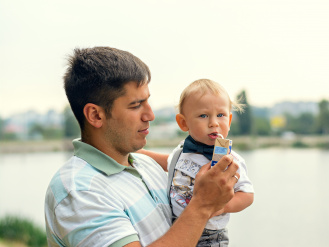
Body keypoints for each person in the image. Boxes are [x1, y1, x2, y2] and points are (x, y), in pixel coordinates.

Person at [44, 47, 241, 247]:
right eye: (136, 105)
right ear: (96, 115)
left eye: (147, 101)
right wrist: (202, 205)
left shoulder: (146, 164)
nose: (150, 115)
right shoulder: (79, 191)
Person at [138, 79, 254, 246]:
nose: (214, 122)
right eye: (203, 115)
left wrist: (223, 206)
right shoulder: (181, 152)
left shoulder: (230, 161)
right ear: (183, 123)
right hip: (176, 226)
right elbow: (169, 163)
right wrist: (140, 153)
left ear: (228, 121)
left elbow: (247, 195)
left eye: (220, 115)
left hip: (210, 237)